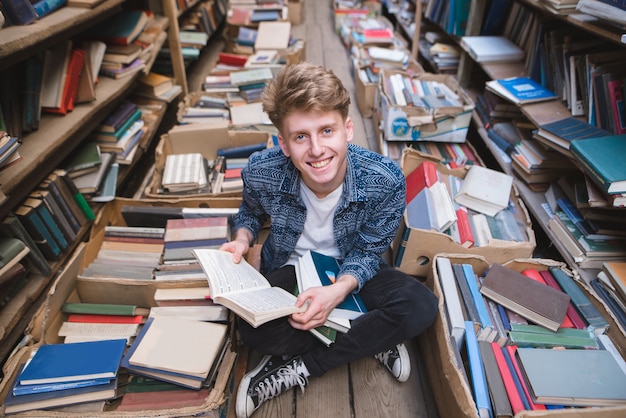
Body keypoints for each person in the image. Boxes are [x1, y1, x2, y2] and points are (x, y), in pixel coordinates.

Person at [219, 62, 438, 418]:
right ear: (284, 143)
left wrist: (336, 292)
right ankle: (373, 338)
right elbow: (250, 213)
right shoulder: (262, 170)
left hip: (353, 271)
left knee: (421, 306)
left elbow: (368, 251)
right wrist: (242, 240)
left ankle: (301, 367)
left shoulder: (385, 180)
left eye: (327, 130)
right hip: (292, 271)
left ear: (347, 129)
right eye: (301, 136)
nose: (317, 149)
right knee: (251, 328)